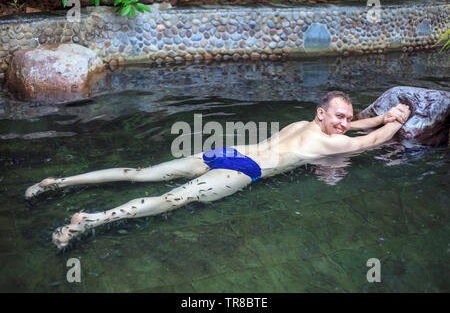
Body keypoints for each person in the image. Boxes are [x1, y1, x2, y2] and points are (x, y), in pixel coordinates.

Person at [25, 91, 411, 249]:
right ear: (323, 114)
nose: (346, 123)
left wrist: (374, 117)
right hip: (243, 169)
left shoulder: (306, 125)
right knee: (170, 201)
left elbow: (354, 128)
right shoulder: (332, 140)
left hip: (223, 152)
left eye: (348, 118)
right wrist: (397, 118)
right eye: (340, 117)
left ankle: (58, 182)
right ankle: (88, 221)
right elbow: (370, 141)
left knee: (140, 172)